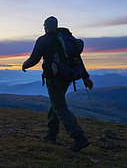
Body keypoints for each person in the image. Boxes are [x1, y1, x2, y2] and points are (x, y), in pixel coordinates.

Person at [22, 16, 94, 152]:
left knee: (59, 107)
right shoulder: (66, 40)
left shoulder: (44, 40)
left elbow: (34, 58)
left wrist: (24, 65)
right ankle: (51, 133)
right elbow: (77, 59)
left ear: (45, 27)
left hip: (53, 78)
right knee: (56, 103)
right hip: (66, 78)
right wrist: (85, 77)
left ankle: (79, 137)